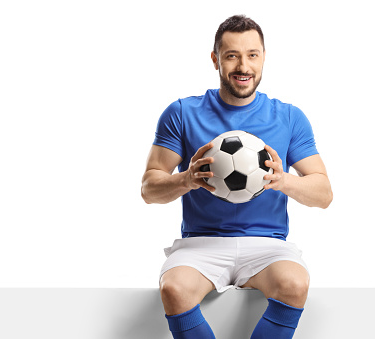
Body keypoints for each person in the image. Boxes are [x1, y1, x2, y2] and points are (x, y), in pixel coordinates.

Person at [141, 15, 333, 339]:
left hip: (267, 243)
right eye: (232, 55)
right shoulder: (182, 113)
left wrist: (284, 181)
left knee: (295, 283)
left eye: (252, 55)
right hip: (201, 242)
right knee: (173, 288)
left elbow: (323, 193)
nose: (243, 66)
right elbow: (149, 187)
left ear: (263, 57)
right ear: (215, 59)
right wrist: (185, 180)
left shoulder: (288, 117)